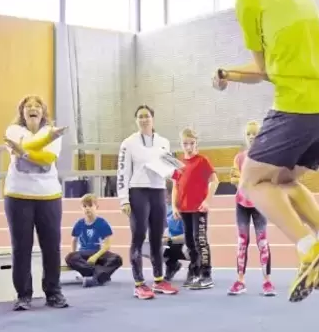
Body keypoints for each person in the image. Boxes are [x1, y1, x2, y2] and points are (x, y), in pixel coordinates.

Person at [212, 0, 319, 302]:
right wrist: (227, 72)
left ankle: (307, 248)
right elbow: (274, 68)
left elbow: (261, 70)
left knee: (251, 181)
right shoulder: (304, 0)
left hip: (297, 109)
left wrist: (226, 75)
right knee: (284, 180)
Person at [3, 95, 69, 311]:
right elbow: (28, 148)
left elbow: (47, 159)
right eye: (28, 106)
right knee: (21, 247)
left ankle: (53, 292)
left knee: (51, 247)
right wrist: (28, 149)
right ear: (22, 111)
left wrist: (24, 152)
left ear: (43, 111)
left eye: (37, 106)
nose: (33, 109)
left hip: (48, 196)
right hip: (17, 195)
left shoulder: (52, 131)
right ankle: (23, 295)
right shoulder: (13, 131)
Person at [117, 105, 178, 299]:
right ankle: (139, 283)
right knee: (139, 235)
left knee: (157, 236)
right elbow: (122, 172)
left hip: (158, 191)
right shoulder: (128, 143)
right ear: (136, 120)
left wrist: (173, 168)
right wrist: (124, 200)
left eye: (147, 116)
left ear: (153, 118)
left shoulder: (164, 142)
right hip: (138, 191)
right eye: (140, 117)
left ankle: (159, 279)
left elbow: (169, 170)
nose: (144, 119)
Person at [227, 121, 275, 296]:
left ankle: (267, 281)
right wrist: (242, 181)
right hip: (241, 204)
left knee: (262, 241)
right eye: (249, 134)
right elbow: (233, 178)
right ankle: (240, 280)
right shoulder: (239, 158)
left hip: (259, 205)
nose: (252, 137)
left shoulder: (267, 157)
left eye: (255, 134)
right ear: (245, 137)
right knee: (242, 242)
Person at [171, 127, 219, 290]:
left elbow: (215, 181)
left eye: (192, 143)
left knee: (201, 241)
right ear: (181, 144)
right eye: (185, 143)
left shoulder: (202, 160)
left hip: (199, 208)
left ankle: (206, 275)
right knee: (190, 242)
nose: (189, 147)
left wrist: (207, 201)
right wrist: (174, 206)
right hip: (184, 209)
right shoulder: (179, 163)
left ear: (196, 143)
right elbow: (175, 187)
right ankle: (194, 273)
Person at [65, 193, 123, 287]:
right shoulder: (79, 224)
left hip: (98, 253)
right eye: (84, 206)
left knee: (117, 259)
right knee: (69, 257)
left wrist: (95, 257)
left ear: (97, 207)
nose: (87, 208)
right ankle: (99, 274)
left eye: (90, 205)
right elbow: (74, 241)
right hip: (83, 254)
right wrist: (74, 254)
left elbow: (107, 245)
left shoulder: (102, 223)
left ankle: (92, 276)